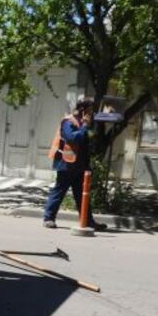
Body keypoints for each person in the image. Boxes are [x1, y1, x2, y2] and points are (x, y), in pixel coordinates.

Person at [42, 97, 107, 230]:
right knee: (59, 192)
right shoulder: (68, 121)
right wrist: (84, 126)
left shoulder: (83, 123)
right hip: (66, 164)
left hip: (80, 166)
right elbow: (72, 138)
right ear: (82, 110)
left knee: (82, 196)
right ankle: (48, 219)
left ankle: (88, 221)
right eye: (89, 110)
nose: (91, 113)